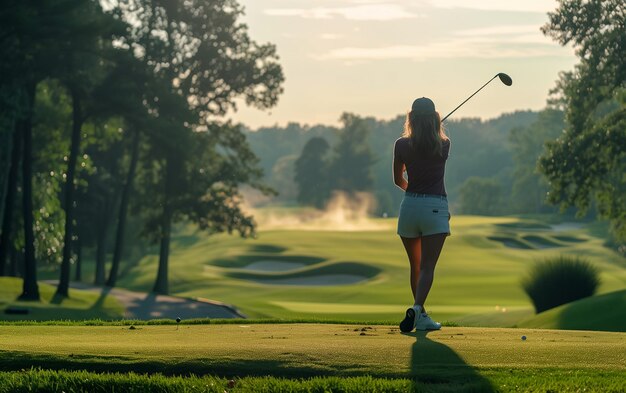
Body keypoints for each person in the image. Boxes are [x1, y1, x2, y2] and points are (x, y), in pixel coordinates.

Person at [393, 97, 451, 332]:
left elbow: (399, 180)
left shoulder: (401, 145)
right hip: (435, 207)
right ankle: (417, 308)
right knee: (427, 267)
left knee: (415, 265)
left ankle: (422, 315)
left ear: (411, 118)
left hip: (409, 208)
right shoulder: (444, 144)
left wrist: (410, 166)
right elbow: (430, 150)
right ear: (436, 118)